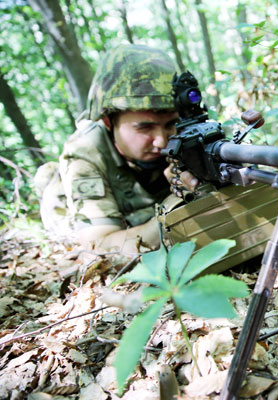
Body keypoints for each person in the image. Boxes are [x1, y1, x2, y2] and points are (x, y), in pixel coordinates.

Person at [36, 44, 198, 254]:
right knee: (52, 193)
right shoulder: (85, 154)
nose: (161, 141)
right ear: (108, 122)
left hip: (143, 208)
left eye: (170, 124)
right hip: (75, 209)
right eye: (145, 127)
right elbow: (101, 247)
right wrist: (177, 208)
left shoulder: (190, 132)